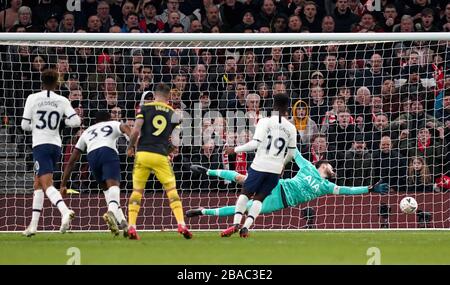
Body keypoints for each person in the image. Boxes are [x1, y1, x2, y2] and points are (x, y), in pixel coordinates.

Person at [187, 149, 388, 219]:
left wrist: (369, 188)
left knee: (244, 209)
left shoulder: (327, 187)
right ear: (323, 164)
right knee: (243, 178)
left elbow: (347, 190)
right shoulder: (308, 166)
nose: (333, 170)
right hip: (278, 186)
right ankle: (208, 171)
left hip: (280, 202)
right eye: (331, 166)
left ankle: (204, 211)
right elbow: (294, 151)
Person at [223, 94, 297, 238]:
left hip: (260, 165)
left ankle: (236, 223)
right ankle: (246, 228)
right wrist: (282, 164)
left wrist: (235, 149)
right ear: (287, 108)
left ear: (273, 106)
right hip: (275, 169)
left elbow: (255, 144)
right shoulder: (291, 128)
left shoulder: (265, 121)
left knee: (246, 193)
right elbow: (292, 153)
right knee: (259, 198)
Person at [126, 83, 192, 240]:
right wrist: (169, 151)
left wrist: (130, 148)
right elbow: (175, 142)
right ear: (168, 96)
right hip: (160, 156)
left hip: (143, 153)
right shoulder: (173, 113)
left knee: (137, 191)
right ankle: (181, 224)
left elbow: (136, 130)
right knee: (171, 190)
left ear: (154, 95)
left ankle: (132, 227)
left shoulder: (145, 108)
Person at [21, 69, 81, 237]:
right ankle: (33, 226)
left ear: (41, 81)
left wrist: (39, 126)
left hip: (40, 144)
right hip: (55, 145)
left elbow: (24, 125)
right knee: (38, 183)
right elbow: (76, 121)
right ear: (56, 83)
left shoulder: (32, 98)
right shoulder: (61, 100)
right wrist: (61, 122)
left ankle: (65, 211)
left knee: (46, 183)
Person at [60, 111, 131, 236]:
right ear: (108, 119)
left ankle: (124, 224)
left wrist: (63, 184)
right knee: (114, 186)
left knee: (108, 192)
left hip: (92, 157)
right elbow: (126, 127)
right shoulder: (112, 124)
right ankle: (111, 213)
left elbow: (72, 160)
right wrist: (133, 144)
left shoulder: (87, 131)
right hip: (108, 152)